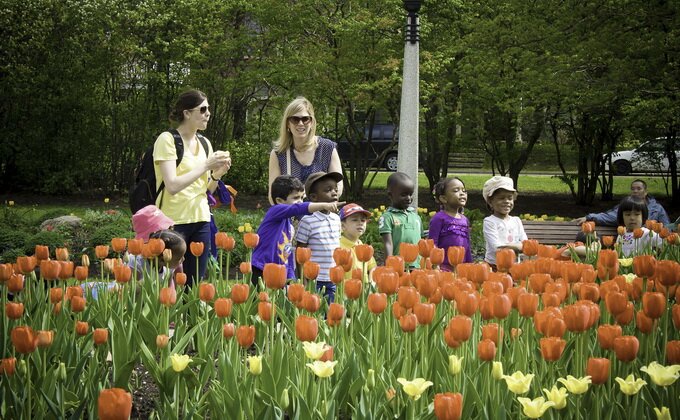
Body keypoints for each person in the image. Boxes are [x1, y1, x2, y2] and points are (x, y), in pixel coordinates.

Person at [153, 89, 231, 287]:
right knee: (165, 284)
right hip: (173, 222)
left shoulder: (205, 143)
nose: (208, 114)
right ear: (187, 113)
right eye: (203, 109)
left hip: (201, 219)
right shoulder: (167, 139)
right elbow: (172, 185)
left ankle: (189, 319)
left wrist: (217, 174)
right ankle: (166, 319)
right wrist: (205, 165)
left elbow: (207, 189)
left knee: (194, 284)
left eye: (209, 109)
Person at [250, 175, 343, 288]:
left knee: (278, 304)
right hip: (262, 268)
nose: (300, 202)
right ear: (279, 201)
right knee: (263, 302)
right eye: (295, 198)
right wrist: (324, 205)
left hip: (279, 272)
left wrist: (290, 276)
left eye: (302, 198)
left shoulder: (289, 225)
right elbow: (297, 208)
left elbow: (288, 250)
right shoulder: (274, 212)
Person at [267, 97, 343, 204]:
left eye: (305, 119)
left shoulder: (327, 148)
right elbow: (273, 195)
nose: (301, 123)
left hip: (322, 214)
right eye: (295, 119)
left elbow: (338, 186)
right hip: (291, 214)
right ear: (287, 124)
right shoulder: (279, 153)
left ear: (311, 122)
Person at [295, 172, 344, 302]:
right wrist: (303, 279)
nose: (334, 193)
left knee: (331, 315)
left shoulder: (336, 218)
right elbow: (300, 252)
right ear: (314, 197)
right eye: (328, 190)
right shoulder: (307, 221)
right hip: (314, 278)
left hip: (332, 277)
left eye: (335, 189)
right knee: (315, 313)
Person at [573, 179, 670, 227]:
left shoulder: (657, 208)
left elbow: (667, 227)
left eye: (639, 189)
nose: (635, 191)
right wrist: (589, 217)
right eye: (633, 189)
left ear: (645, 192)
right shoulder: (626, 205)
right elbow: (610, 216)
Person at [379, 172, 423, 269]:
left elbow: (421, 241)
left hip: (417, 266)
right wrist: (389, 265)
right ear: (390, 195)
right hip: (398, 266)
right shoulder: (387, 217)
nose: (408, 198)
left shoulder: (416, 217)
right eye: (403, 195)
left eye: (410, 194)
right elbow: (388, 243)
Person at [428, 177, 473, 271]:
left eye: (464, 191)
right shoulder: (439, 218)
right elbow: (433, 244)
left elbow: (467, 247)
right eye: (456, 190)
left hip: (462, 268)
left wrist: (470, 266)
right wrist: (435, 266)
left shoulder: (465, 220)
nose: (462, 193)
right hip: (444, 268)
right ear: (444, 198)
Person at [482, 175, 527, 268]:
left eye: (510, 198)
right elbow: (496, 248)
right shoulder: (490, 222)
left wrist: (514, 246)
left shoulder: (516, 221)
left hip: (514, 266)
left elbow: (526, 244)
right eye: (501, 198)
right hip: (494, 266)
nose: (506, 201)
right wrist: (517, 246)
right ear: (490, 201)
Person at [339, 203, 377, 281]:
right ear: (342, 226)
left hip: (363, 291)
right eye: (355, 220)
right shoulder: (338, 246)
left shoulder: (364, 246)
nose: (360, 223)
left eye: (363, 220)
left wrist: (371, 282)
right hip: (345, 291)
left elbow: (373, 267)